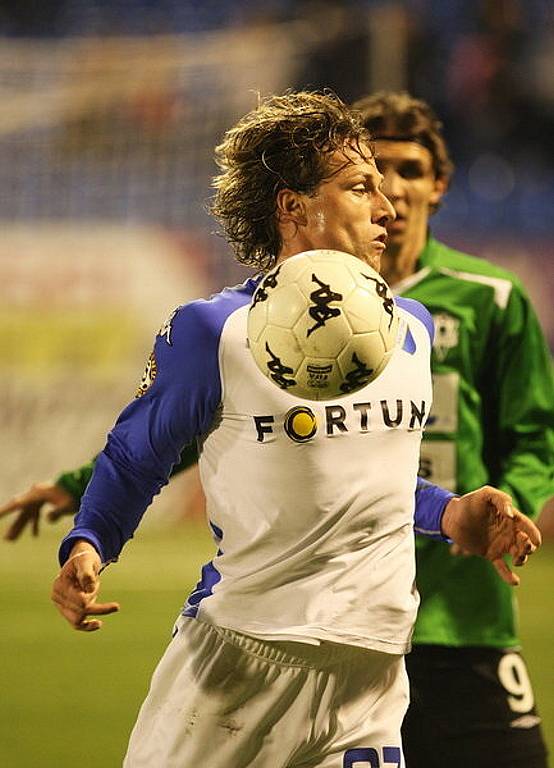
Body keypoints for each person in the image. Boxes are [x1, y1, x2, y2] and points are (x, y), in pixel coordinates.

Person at [48, 90, 539, 768]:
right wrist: (89, 542)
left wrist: (450, 514)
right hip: (239, 666)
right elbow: (136, 456)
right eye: (361, 186)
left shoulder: (415, 330)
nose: (388, 207)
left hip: (370, 672)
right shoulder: (216, 332)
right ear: (293, 207)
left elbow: (373, 481)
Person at [352, 90, 554, 768]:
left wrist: (511, 504)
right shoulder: (306, 309)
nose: (393, 186)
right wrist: (86, 493)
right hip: (341, 619)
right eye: (374, 168)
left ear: (438, 184)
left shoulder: (491, 297)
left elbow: (534, 436)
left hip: (463, 617)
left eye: (410, 169)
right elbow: (209, 417)